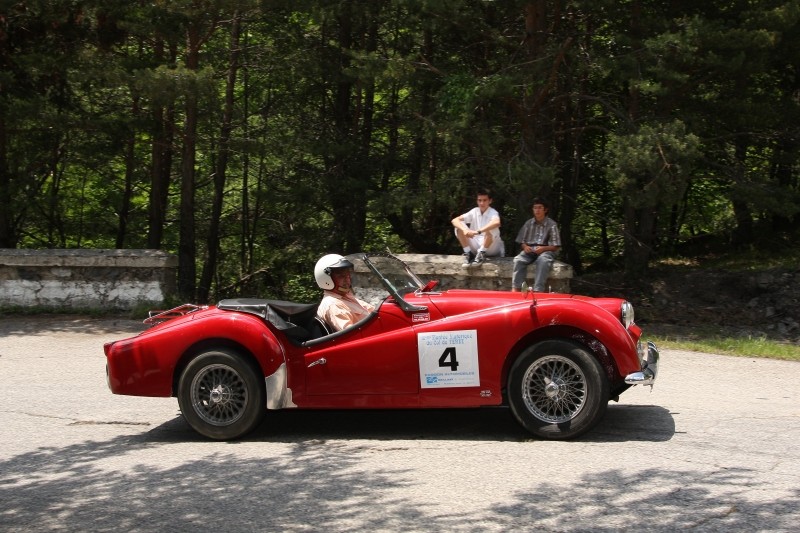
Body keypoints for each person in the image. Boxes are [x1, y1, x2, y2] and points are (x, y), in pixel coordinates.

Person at [511, 197, 561, 292]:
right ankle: (516, 289)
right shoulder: (528, 223)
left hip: (546, 250)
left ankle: (538, 290)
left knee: (543, 261)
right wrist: (525, 247)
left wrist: (543, 249)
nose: (537, 210)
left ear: (545, 210)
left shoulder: (552, 224)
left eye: (540, 208)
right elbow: (522, 241)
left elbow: (556, 246)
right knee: (518, 260)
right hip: (531, 250)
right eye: (535, 208)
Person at [314, 253, 375, 332]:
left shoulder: (345, 297)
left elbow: (375, 311)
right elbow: (352, 335)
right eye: (341, 276)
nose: (347, 279)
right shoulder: (333, 304)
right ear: (327, 280)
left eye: (347, 275)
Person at [451, 188, 504, 267]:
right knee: (459, 226)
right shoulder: (474, 211)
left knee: (492, 228)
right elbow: (454, 220)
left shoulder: (493, 212)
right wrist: (465, 230)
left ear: (490, 201)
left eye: (484, 200)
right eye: (479, 200)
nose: (482, 203)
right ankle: (468, 253)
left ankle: (481, 254)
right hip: (475, 244)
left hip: (491, 248)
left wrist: (478, 231)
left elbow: (496, 222)